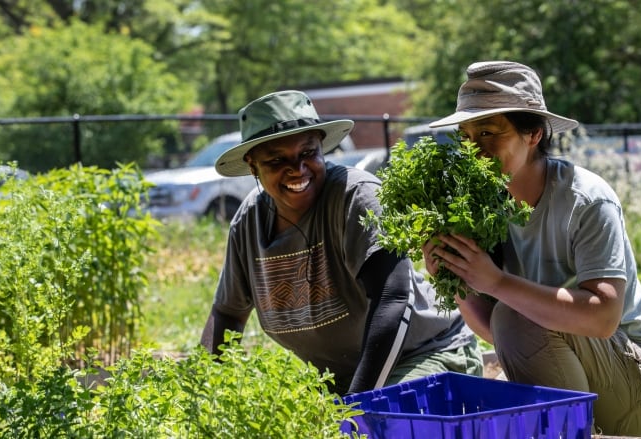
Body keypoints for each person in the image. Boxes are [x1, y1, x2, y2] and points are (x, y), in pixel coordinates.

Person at [422, 61, 641, 436]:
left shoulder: (587, 200)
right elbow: (502, 333)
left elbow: (603, 317)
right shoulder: (484, 204)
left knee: (511, 312)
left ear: (534, 134)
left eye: (489, 132)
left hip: (639, 384)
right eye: (466, 135)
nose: (473, 148)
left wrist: (494, 282)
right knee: (510, 316)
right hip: (579, 375)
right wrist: (455, 277)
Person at [200, 90, 483, 395]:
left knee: (383, 424)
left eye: (308, 152)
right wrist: (200, 394)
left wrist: (356, 406)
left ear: (322, 148)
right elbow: (227, 313)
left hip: (426, 354)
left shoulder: (355, 196)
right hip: (342, 378)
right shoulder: (249, 223)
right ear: (252, 165)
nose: (297, 169)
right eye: (277, 160)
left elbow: (392, 299)